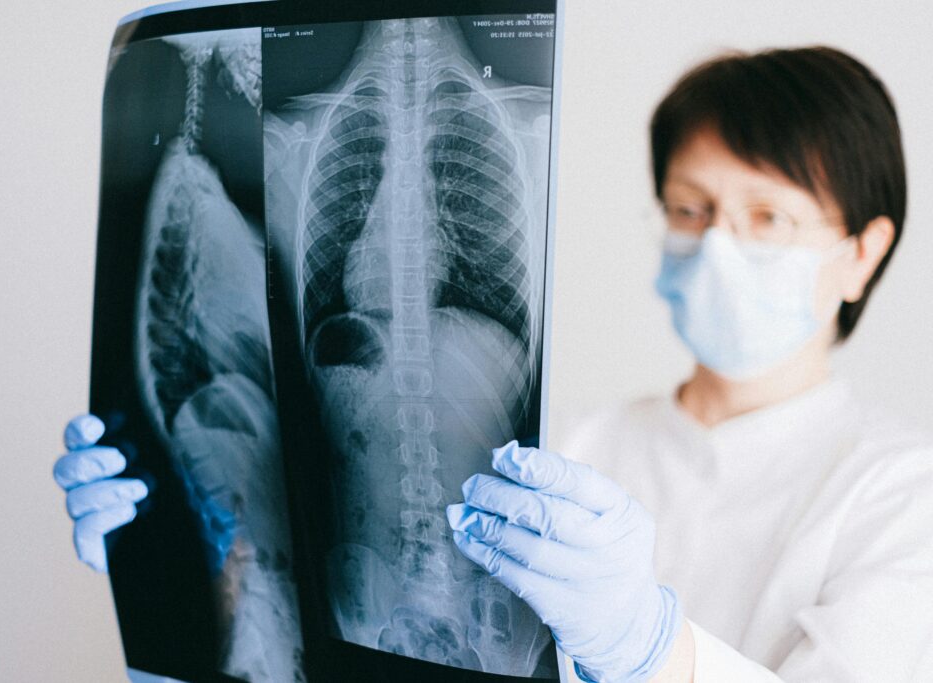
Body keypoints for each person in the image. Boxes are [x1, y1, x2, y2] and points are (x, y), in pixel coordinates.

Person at [55, 45, 933, 682]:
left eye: (767, 219)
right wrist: (186, 548)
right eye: (691, 208)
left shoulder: (902, 493)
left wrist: (648, 647)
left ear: (863, 250)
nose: (718, 248)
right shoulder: (562, 442)